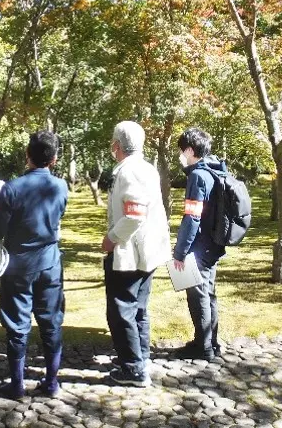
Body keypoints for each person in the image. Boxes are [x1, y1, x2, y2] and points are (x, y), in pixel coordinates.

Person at [0, 131, 68, 399]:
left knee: (17, 324)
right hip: (50, 263)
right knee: (51, 322)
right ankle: (52, 382)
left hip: (18, 266)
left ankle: (17, 385)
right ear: (54, 158)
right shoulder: (61, 187)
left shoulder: (12, 188)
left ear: (27, 155)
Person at [102, 121, 171, 387]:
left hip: (130, 254)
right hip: (148, 252)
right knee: (138, 308)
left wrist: (112, 238)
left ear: (116, 145)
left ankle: (133, 369)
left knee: (121, 311)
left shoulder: (129, 172)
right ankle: (139, 357)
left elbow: (134, 214)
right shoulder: (146, 168)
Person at [173, 128, 225, 360]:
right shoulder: (214, 170)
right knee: (209, 293)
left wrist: (180, 251)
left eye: (181, 151)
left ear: (190, 150)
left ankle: (202, 347)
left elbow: (192, 217)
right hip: (212, 243)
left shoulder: (197, 176)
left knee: (199, 295)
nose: (180, 155)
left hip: (199, 245)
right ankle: (212, 343)